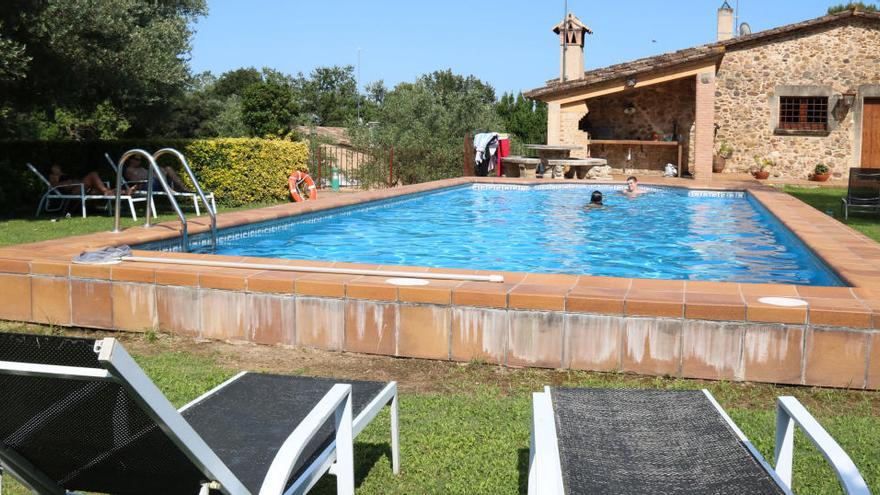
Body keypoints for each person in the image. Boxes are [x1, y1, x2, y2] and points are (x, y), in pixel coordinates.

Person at [123, 154, 190, 192]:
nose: (139, 161)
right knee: (158, 173)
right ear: (130, 160)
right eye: (137, 159)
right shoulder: (129, 169)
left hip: (156, 182)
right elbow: (135, 181)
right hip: (144, 186)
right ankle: (169, 189)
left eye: (140, 160)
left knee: (168, 168)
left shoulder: (141, 168)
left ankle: (183, 187)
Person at [49, 165, 115, 196]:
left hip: (81, 186)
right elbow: (54, 186)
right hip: (74, 190)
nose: (57, 167)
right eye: (55, 167)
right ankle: (106, 191)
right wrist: (69, 183)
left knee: (98, 188)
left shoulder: (64, 174)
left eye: (57, 166)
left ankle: (117, 192)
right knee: (93, 174)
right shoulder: (53, 176)